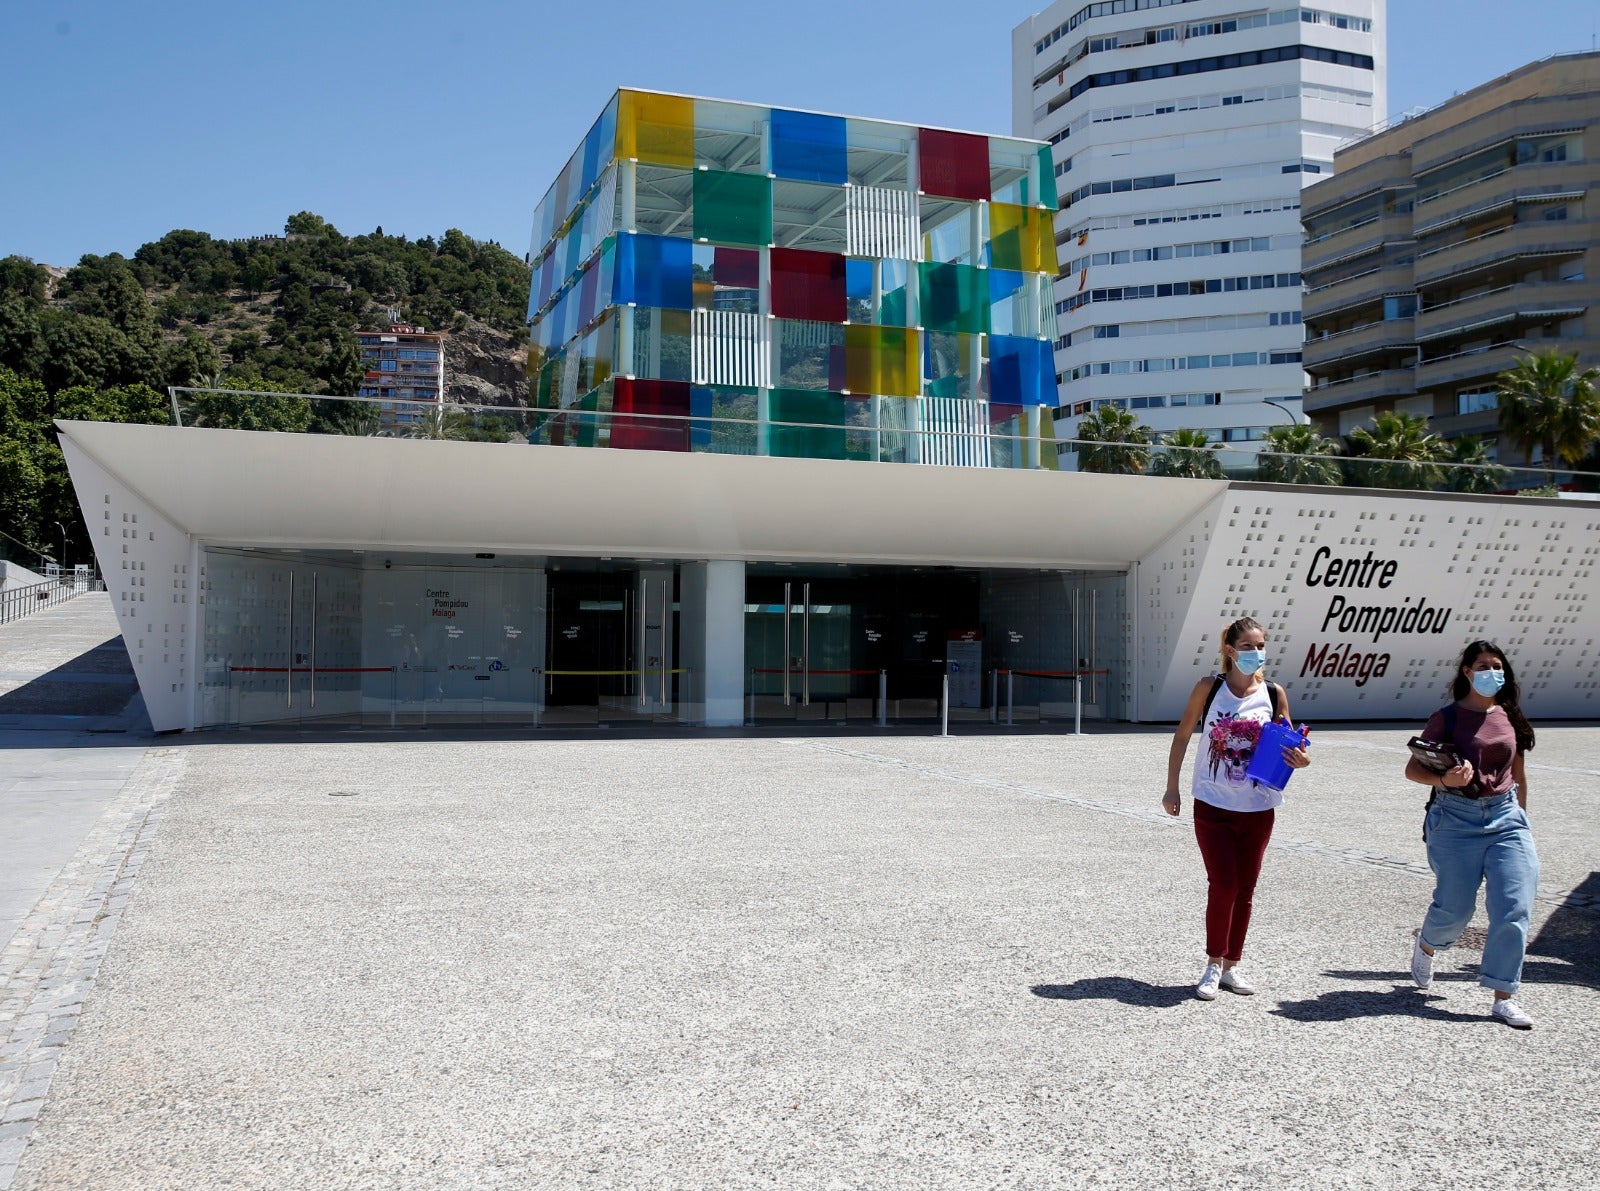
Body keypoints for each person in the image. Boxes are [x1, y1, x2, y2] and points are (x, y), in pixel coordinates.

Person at [1163, 617, 1310, 1000]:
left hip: (1258, 807)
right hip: (1213, 804)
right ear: (1230, 650)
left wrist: (1300, 758)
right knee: (1224, 883)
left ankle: (1232, 966)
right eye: (1248, 646)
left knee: (1245, 888)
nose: (1256, 653)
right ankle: (1213, 963)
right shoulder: (1209, 688)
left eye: (1260, 646)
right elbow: (1182, 735)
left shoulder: (1274, 693)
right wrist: (1171, 787)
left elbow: (1290, 741)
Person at [1404, 640, 1540, 1029]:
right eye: (1483, 665)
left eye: (1497, 665)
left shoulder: (1509, 716)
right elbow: (1413, 771)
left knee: (1515, 907)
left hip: (1506, 817)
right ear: (1466, 671)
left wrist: (1522, 821)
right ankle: (1429, 943)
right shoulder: (1445, 718)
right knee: (1455, 909)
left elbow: (1519, 774)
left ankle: (1503, 996)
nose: (1491, 672)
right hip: (1456, 819)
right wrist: (1445, 778)